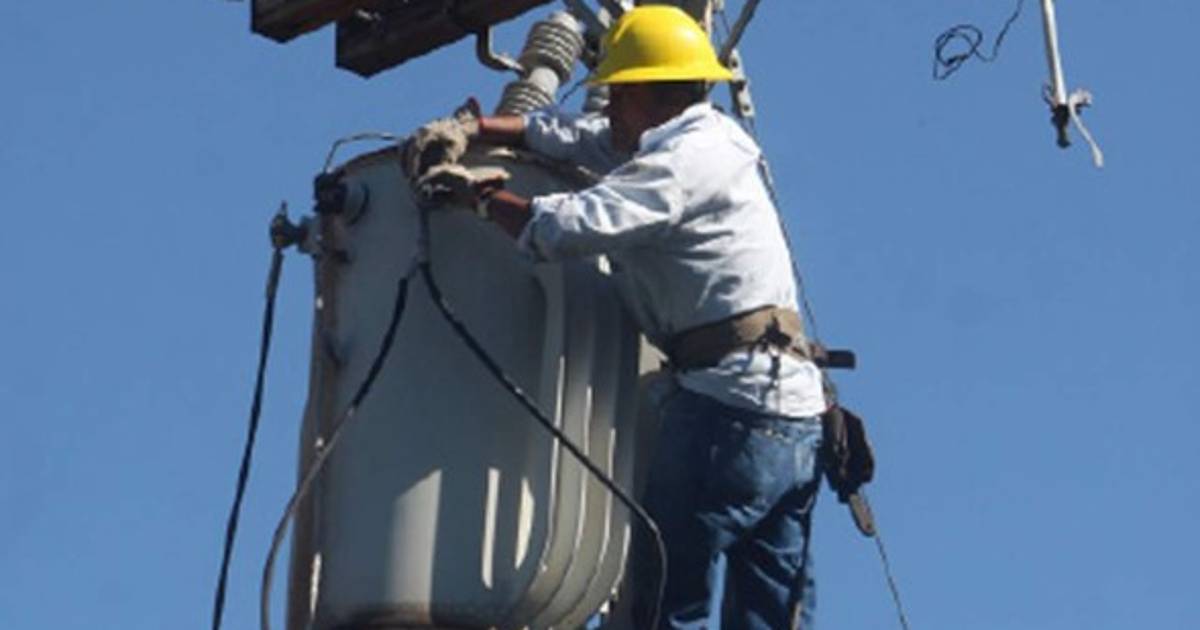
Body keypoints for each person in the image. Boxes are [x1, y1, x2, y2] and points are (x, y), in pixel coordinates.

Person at [412, 6, 827, 629]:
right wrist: (479, 127)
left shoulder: (682, 165)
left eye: (615, 96)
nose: (606, 110)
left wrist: (476, 196)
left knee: (662, 605)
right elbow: (582, 139)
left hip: (728, 414)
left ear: (646, 93)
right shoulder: (702, 139)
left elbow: (567, 227)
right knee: (770, 616)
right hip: (792, 419)